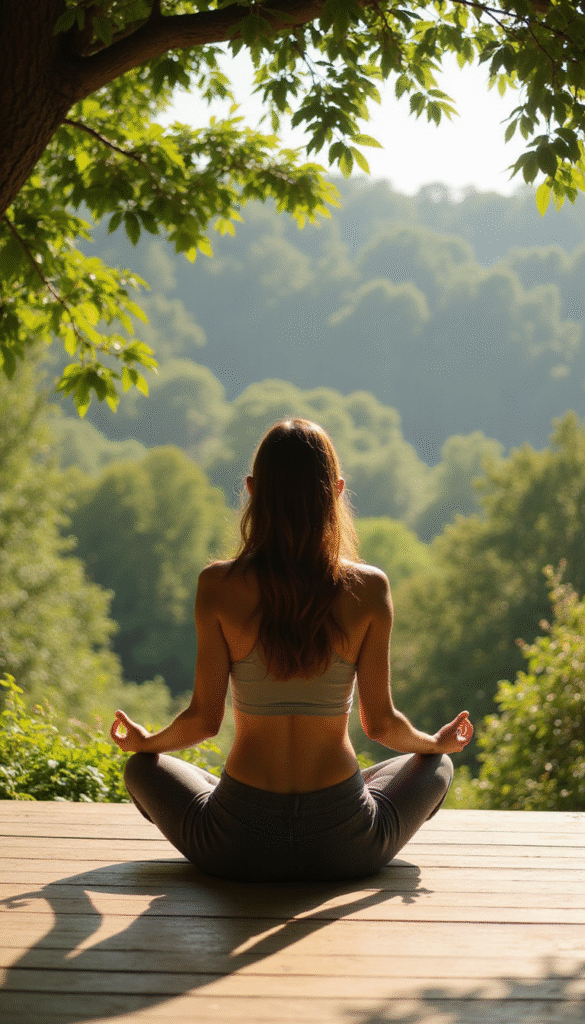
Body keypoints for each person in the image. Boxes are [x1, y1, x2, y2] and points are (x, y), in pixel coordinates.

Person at [111, 418, 473, 882]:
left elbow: (203, 720)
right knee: (434, 765)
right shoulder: (369, 588)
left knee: (143, 769)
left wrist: (147, 742)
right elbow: (381, 724)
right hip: (346, 844)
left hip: (235, 844)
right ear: (337, 491)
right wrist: (434, 743)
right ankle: (348, 788)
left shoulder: (218, 586)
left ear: (252, 490)